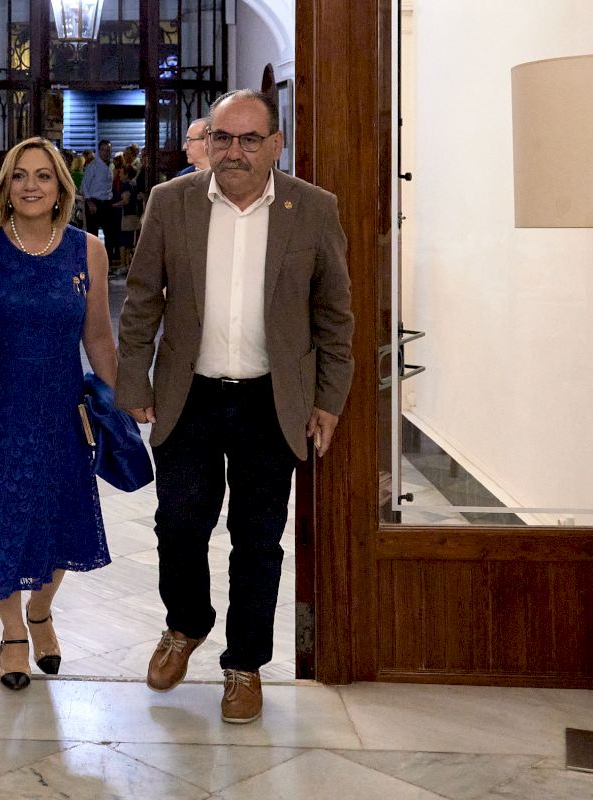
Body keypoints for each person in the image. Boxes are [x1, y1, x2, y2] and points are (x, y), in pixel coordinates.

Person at [116, 89, 354, 724]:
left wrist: (328, 400)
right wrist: (134, 382)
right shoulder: (172, 202)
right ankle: (186, 623)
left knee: (258, 541)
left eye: (250, 139)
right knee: (178, 526)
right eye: (222, 138)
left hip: (271, 403)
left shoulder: (313, 209)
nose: (235, 152)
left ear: (275, 145)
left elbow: (335, 316)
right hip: (188, 396)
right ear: (208, 143)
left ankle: (244, 664)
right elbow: (142, 299)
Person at [0, 137, 117, 691]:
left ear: (62, 187)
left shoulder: (88, 250)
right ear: (4, 187)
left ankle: (41, 611)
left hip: (61, 409)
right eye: (19, 175)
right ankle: (13, 632)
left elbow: (98, 336)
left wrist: (127, 397)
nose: (31, 185)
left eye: (43, 175)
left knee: (59, 520)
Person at [81, 138, 119, 263]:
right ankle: (92, 261)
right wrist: (89, 202)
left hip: (107, 203)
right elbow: (84, 185)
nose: (106, 153)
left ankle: (107, 261)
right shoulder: (93, 166)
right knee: (93, 234)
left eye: (108, 150)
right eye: (103, 150)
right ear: (99, 151)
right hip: (94, 202)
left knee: (110, 233)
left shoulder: (110, 165)